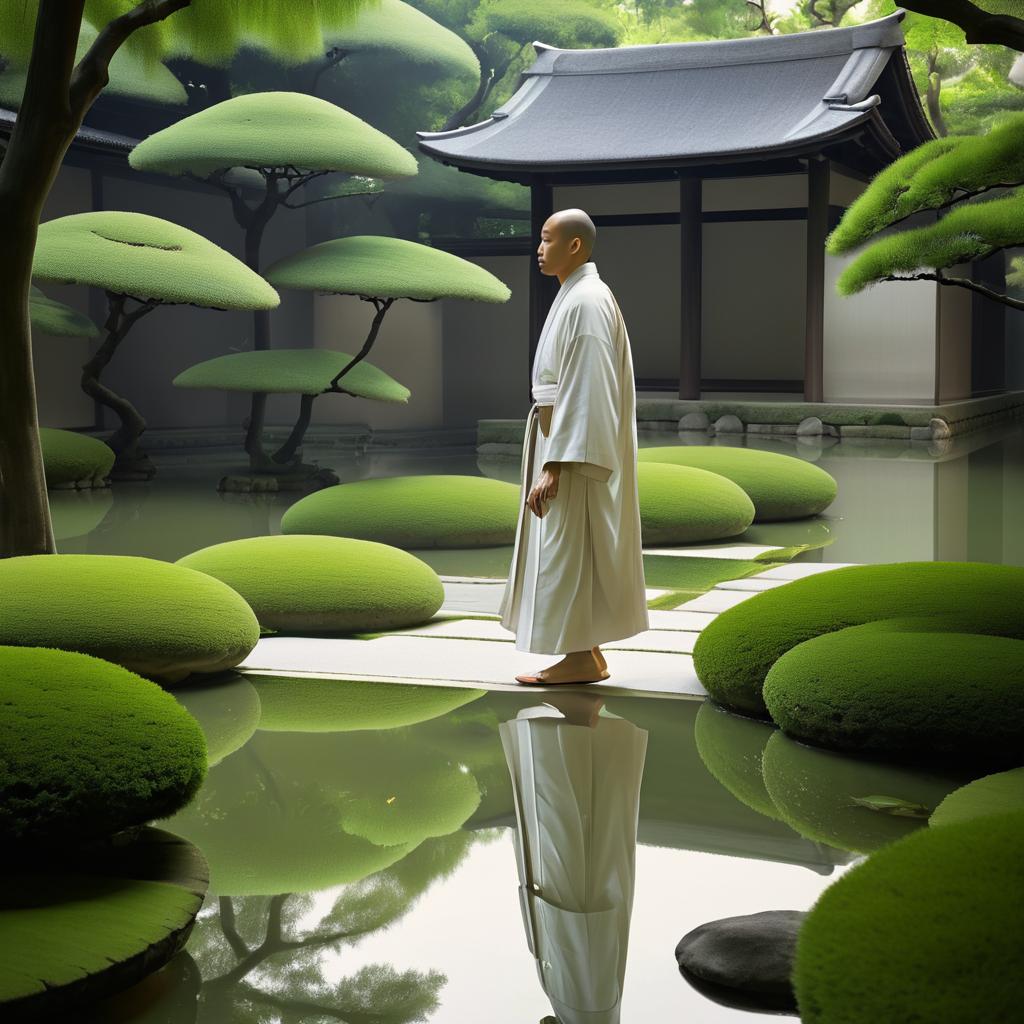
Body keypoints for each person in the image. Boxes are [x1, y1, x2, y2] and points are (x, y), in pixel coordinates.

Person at [499, 208, 648, 686]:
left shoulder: (585, 301)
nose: (538, 249)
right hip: (560, 438)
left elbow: (587, 387)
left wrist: (556, 464)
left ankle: (581, 656)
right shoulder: (579, 294)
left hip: (573, 452)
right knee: (570, 549)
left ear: (575, 246)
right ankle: (588, 652)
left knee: (570, 550)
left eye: (546, 239)